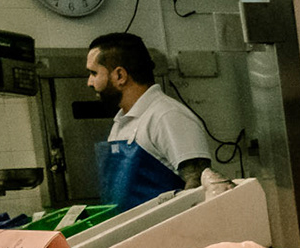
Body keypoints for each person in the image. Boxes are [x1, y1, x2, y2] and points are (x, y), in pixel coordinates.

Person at [85, 32, 213, 203]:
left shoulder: (168, 116)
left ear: (119, 76)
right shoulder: (121, 122)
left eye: (94, 73)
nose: (89, 82)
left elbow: (199, 190)